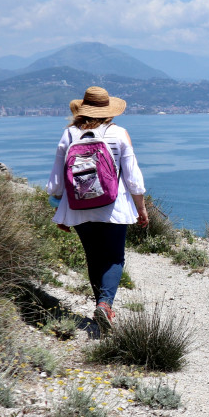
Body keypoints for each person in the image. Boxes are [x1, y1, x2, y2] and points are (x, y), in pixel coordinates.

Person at [46, 86, 149, 334]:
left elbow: (56, 183)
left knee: (94, 257)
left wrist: (62, 210)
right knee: (114, 257)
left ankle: (101, 311)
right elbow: (133, 178)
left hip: (79, 208)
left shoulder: (69, 135)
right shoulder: (119, 134)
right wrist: (141, 209)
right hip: (114, 206)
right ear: (109, 110)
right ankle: (105, 305)